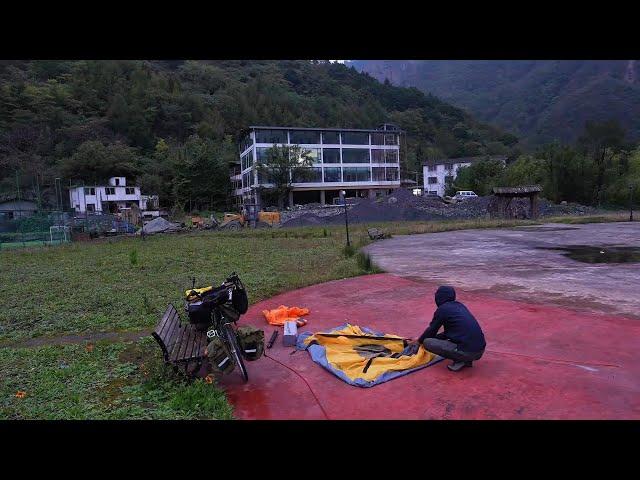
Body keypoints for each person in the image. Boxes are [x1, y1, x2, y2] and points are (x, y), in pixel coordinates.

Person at [409, 286, 486, 372]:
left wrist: (419, 341)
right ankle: (465, 358)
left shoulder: (442, 309)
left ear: (439, 297)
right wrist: (431, 338)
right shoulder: (459, 306)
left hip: (468, 352)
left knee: (427, 342)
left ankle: (461, 359)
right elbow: (447, 333)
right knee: (433, 339)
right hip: (480, 350)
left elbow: (431, 330)